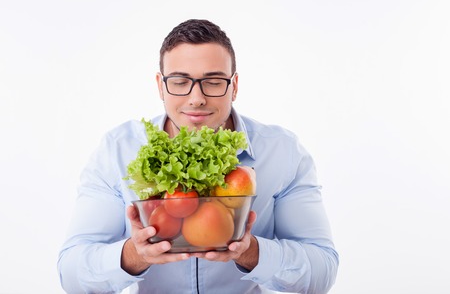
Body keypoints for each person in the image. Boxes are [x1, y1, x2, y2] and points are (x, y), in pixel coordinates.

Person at [58, 19, 339, 294]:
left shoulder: (282, 151)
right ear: (160, 85)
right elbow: (72, 272)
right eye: (180, 82)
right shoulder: (118, 150)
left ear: (235, 86)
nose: (196, 98)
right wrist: (134, 255)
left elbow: (321, 270)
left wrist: (252, 252)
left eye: (214, 82)